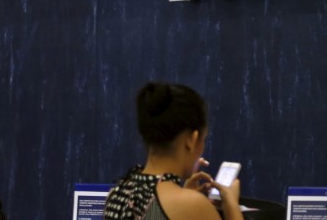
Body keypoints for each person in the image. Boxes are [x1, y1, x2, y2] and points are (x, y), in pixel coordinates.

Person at [104, 82, 244, 220]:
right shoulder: (193, 205)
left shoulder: (117, 194)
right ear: (191, 140)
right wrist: (231, 205)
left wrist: (182, 192)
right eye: (204, 138)